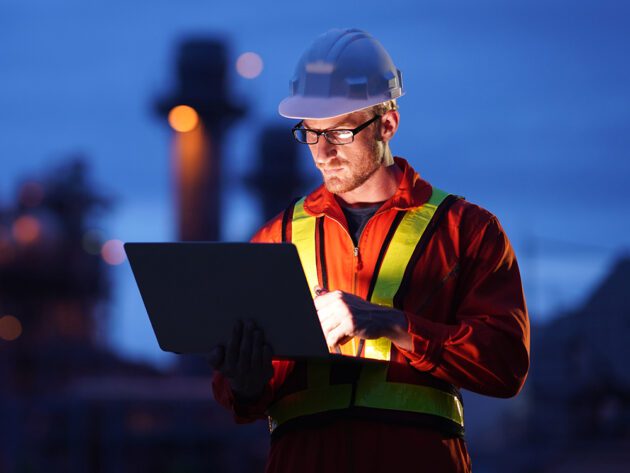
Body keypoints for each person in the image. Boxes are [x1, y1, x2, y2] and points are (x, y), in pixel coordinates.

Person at [209, 28, 530, 473]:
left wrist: (391, 324)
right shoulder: (275, 239)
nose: (322, 152)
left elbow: (505, 366)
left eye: (340, 132)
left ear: (387, 124)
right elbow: (243, 396)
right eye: (311, 133)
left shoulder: (465, 232)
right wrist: (244, 382)